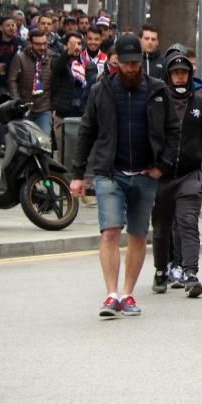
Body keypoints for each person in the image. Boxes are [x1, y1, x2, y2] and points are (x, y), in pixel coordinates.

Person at [69, 34, 180, 318]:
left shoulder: (158, 90)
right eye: (125, 64)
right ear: (115, 61)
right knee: (110, 231)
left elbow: (172, 130)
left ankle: (128, 293)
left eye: (135, 63)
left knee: (139, 234)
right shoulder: (101, 90)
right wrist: (78, 174)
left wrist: (162, 166)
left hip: (145, 173)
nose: (131, 69)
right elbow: (86, 131)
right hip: (109, 173)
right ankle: (111, 294)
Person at [150, 51, 202, 298]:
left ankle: (191, 273)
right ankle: (161, 270)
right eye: (175, 73)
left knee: (188, 223)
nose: (180, 77)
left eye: (184, 73)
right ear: (168, 76)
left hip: (190, 175)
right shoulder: (158, 102)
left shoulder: (200, 104)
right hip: (161, 176)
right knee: (161, 227)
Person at [0, 16, 24, 156]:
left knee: (16, 113)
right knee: (1, 111)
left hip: (16, 83)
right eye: (8, 25)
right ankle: (1, 144)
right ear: (1, 27)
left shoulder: (21, 44)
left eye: (13, 25)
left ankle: (15, 143)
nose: (12, 28)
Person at [8, 29, 54, 135]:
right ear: (30, 43)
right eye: (38, 44)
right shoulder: (20, 57)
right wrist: (16, 100)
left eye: (44, 44)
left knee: (43, 141)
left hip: (44, 107)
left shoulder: (52, 57)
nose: (42, 47)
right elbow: (12, 80)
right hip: (25, 106)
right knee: (24, 143)